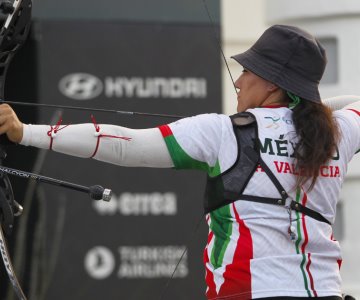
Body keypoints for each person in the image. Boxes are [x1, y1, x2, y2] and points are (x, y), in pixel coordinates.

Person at [0, 25, 359, 300]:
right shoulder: (337, 133)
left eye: (248, 71)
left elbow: (125, 145)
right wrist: (304, 112)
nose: (239, 81)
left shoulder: (225, 133)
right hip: (324, 291)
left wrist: (24, 132)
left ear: (270, 83)